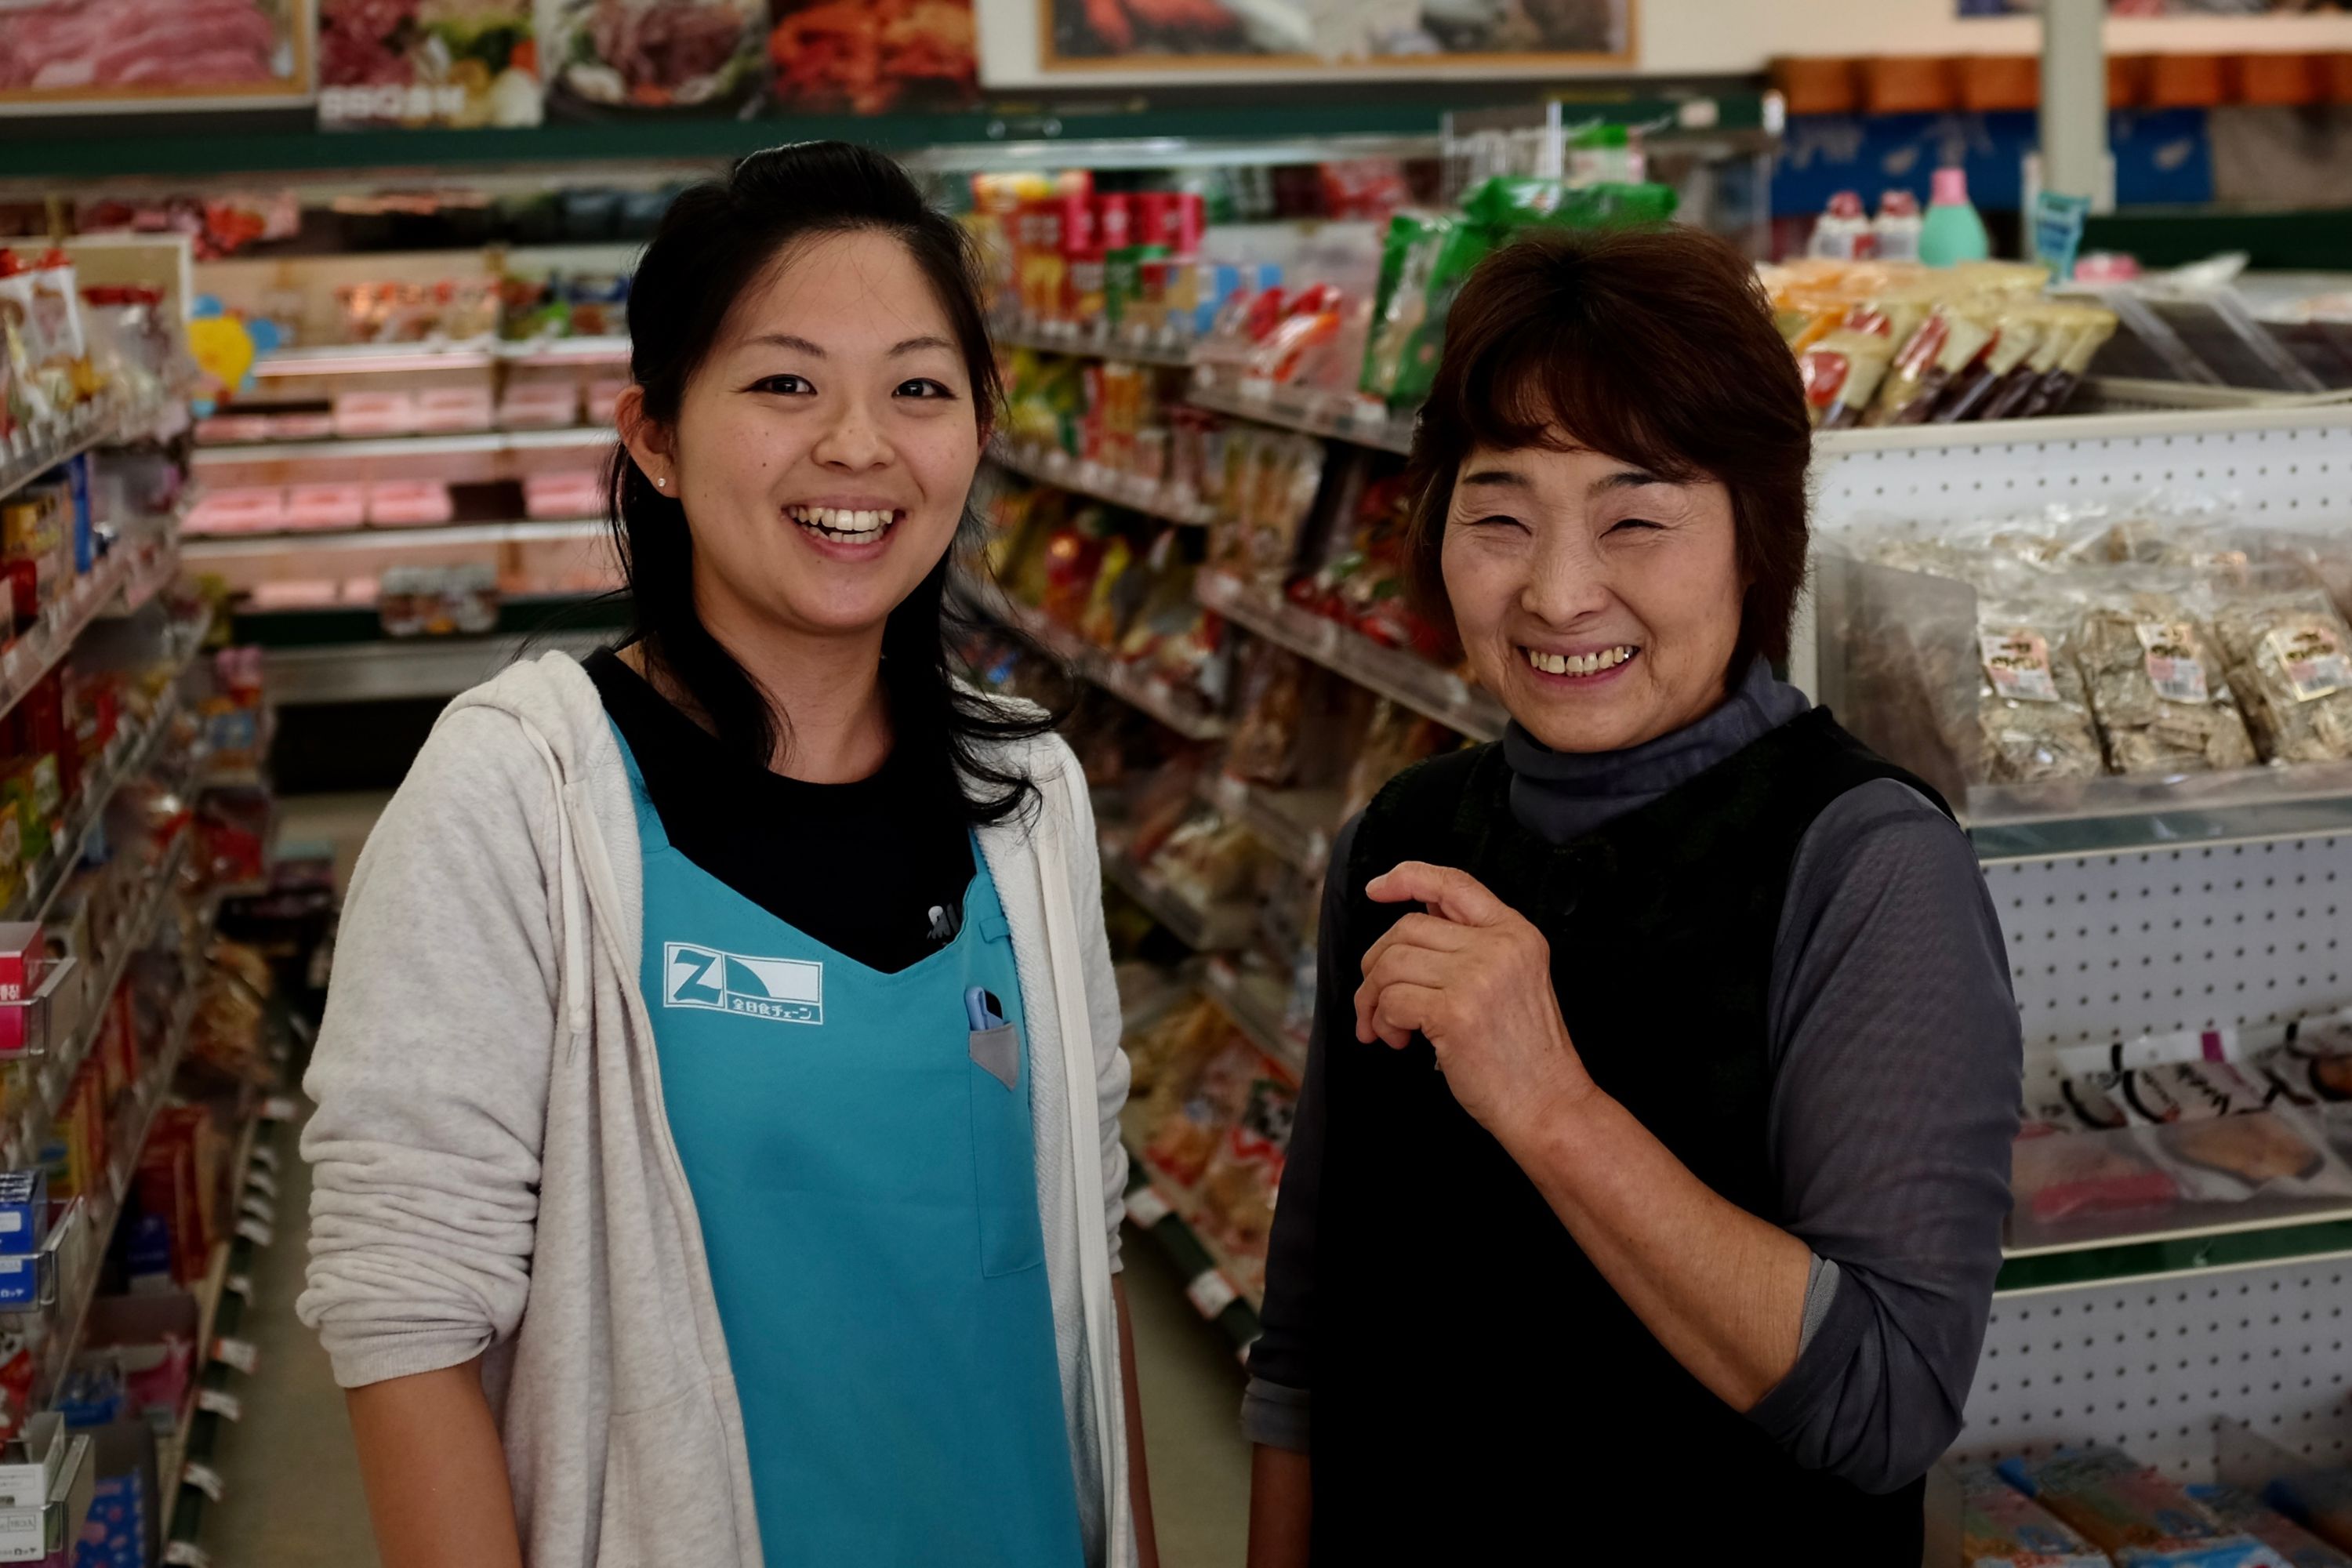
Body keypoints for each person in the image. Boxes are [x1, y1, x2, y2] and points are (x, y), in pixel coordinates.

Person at [298, 142, 1157, 1568]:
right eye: (784, 382)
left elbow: (1086, 1242)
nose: (859, 446)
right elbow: (405, 1320)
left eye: (919, 388)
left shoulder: (1031, 799)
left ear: (980, 427)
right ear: (655, 436)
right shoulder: (524, 791)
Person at [1243, 227, 2021, 1562]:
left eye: (1636, 520)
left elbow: (1886, 1402)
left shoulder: (1866, 864)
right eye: (1499, 518)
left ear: (1754, 536)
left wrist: (1547, 1104)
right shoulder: (1405, 831)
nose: (1556, 591)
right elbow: (1313, 1321)